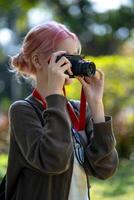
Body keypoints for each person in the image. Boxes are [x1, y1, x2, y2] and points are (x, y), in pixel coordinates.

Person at [6, 21, 118, 200]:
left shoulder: (79, 110)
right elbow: (53, 162)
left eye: (76, 56)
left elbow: (105, 169)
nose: (72, 63)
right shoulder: (23, 111)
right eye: (65, 56)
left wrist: (96, 105)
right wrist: (55, 96)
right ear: (37, 60)